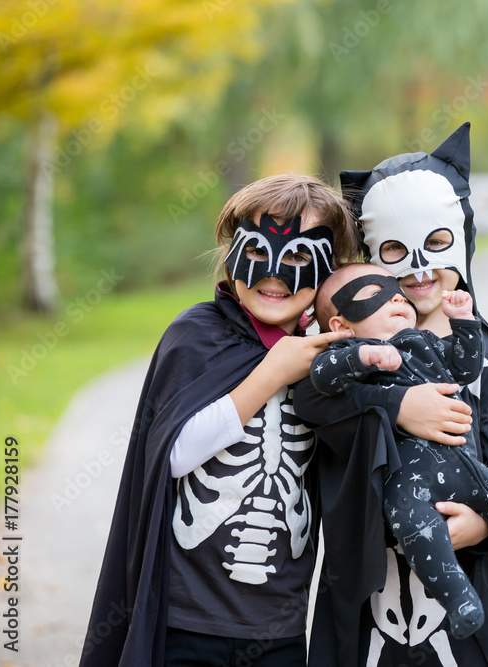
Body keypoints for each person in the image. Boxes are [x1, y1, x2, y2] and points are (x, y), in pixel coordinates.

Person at [295, 123, 488, 667]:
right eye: (394, 249)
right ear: (371, 256)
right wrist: (395, 405)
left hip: (474, 587)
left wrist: (485, 522)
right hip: (374, 591)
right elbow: (320, 415)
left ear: (461, 237)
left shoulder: (486, 357)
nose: (419, 268)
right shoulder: (346, 354)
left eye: (437, 244)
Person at [80, 174, 362, 667]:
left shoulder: (330, 356)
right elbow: (172, 454)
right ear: (231, 254)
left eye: (298, 257)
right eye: (257, 251)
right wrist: (275, 371)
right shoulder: (195, 336)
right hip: (187, 620)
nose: (275, 274)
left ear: (329, 270)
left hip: (280, 622)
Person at [310, 263, 488, 639]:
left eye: (394, 288)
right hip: (412, 482)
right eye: (372, 293)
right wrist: (362, 358)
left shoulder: (424, 342)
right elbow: (322, 376)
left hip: (467, 470)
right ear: (341, 326)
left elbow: (466, 367)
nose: (394, 295)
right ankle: (459, 598)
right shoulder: (354, 352)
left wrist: (465, 323)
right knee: (416, 527)